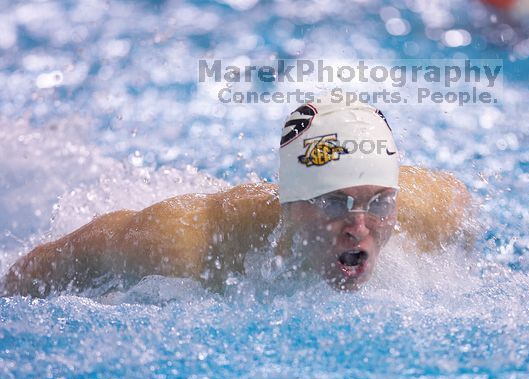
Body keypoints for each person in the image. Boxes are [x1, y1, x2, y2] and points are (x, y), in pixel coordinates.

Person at [1, 101, 472, 297]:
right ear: (290, 202)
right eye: (333, 203)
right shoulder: (177, 242)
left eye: (378, 202)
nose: (360, 227)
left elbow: (464, 217)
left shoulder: (429, 209)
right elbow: (27, 279)